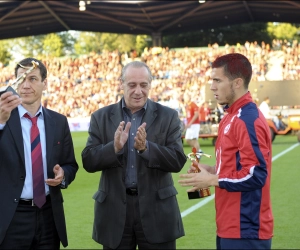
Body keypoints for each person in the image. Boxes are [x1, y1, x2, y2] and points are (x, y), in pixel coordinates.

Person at [81, 61, 186, 249]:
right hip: (114, 213)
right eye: (132, 85)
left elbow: (177, 160)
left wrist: (147, 148)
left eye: (143, 85)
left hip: (157, 212)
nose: (138, 91)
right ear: (121, 84)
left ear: (150, 84)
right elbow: (88, 161)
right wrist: (113, 148)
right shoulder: (101, 116)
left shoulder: (168, 116)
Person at [179, 53, 273, 250]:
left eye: (217, 80)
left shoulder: (247, 119)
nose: (212, 86)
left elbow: (256, 175)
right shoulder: (229, 117)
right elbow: (235, 167)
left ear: (237, 82)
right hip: (228, 226)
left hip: (246, 230)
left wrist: (212, 180)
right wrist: (211, 171)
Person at [0, 58, 78, 249]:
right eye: (21, 79)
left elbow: (70, 164)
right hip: (12, 216)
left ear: (45, 83)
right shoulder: (3, 118)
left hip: (49, 215)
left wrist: (63, 175)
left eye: (33, 79)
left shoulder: (59, 122)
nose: (26, 85)